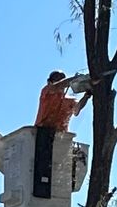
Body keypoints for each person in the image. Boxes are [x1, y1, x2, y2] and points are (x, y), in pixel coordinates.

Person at [32, 68, 91, 196]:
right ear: (50, 81)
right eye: (58, 79)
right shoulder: (47, 91)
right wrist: (73, 79)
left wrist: (87, 95)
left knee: (57, 171)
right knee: (41, 169)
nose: (61, 82)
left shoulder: (68, 101)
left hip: (60, 138)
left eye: (62, 78)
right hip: (41, 134)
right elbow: (56, 88)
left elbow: (76, 109)